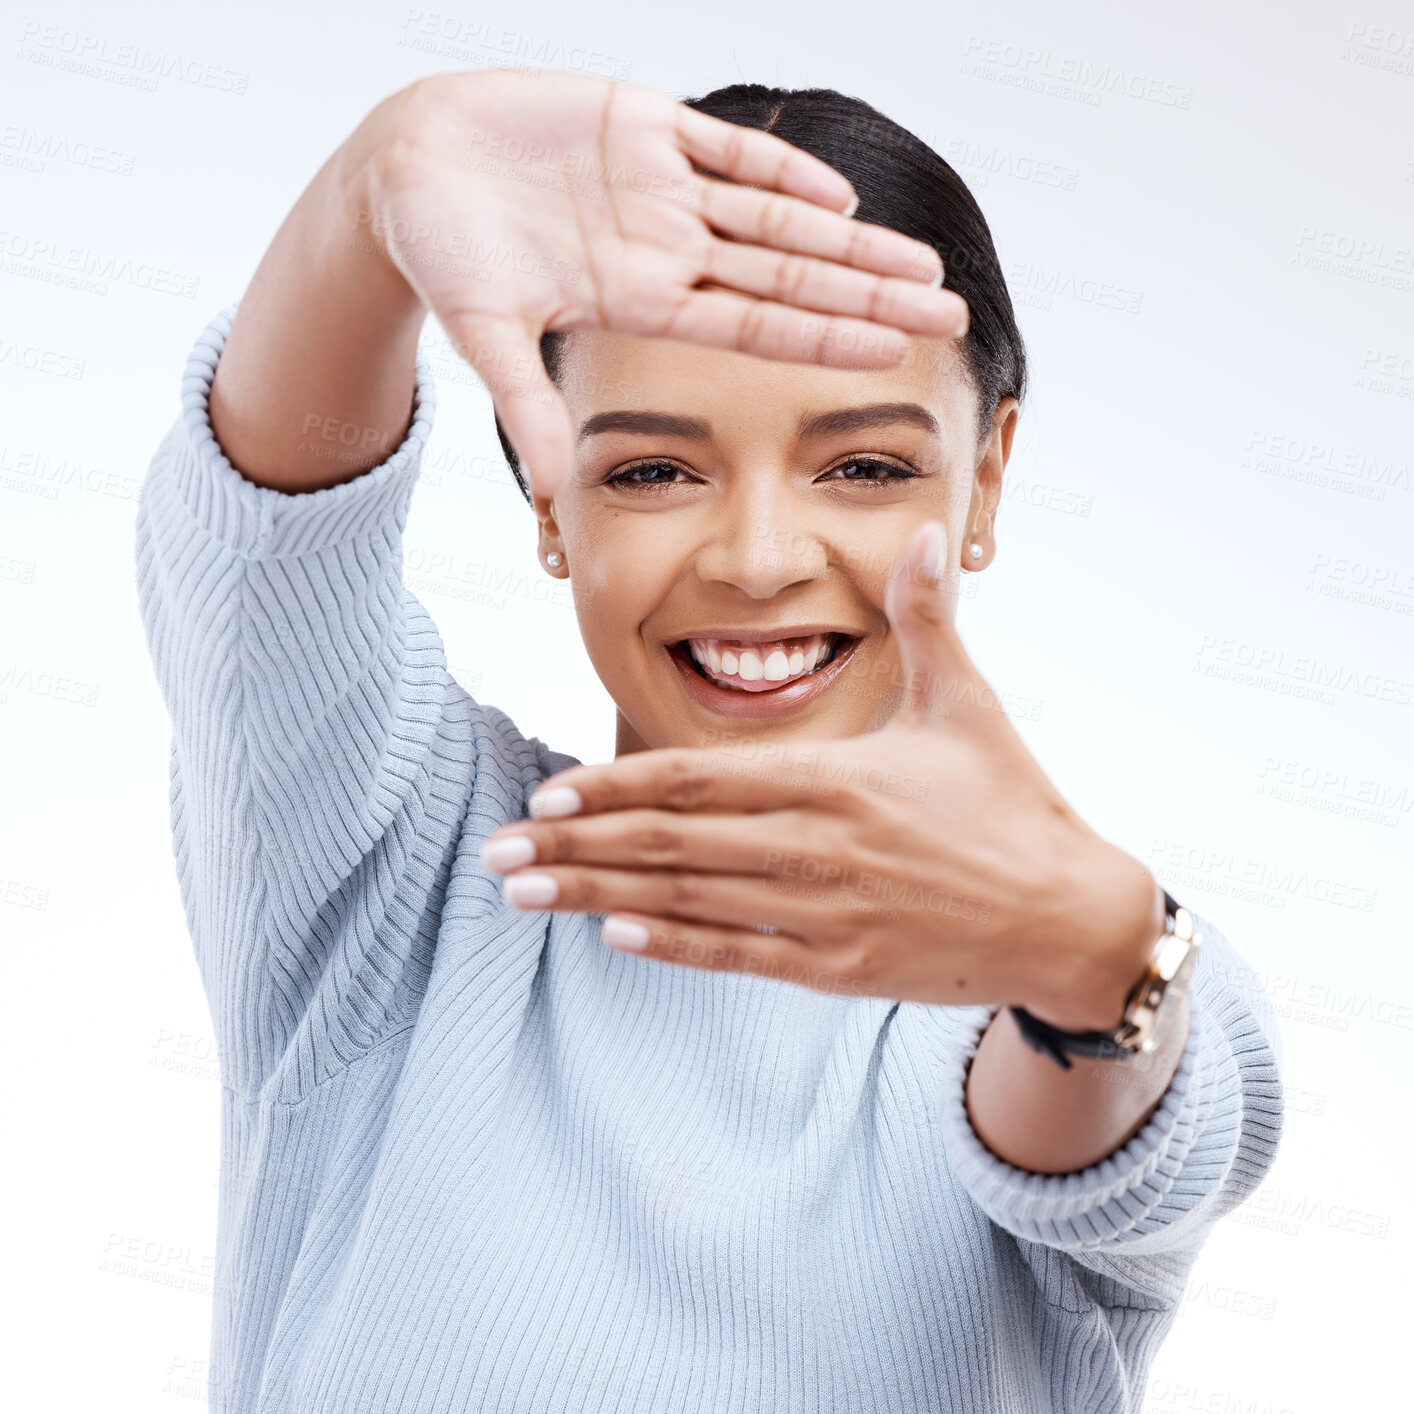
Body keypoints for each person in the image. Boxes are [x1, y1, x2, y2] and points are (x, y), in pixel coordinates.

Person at [134, 69, 1284, 1414]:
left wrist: (1090, 956)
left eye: (861, 465)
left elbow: (1116, 1095)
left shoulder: (1056, 961)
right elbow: (266, 548)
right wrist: (372, 189)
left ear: (985, 481)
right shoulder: (391, 871)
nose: (754, 559)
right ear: (548, 488)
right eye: (650, 468)